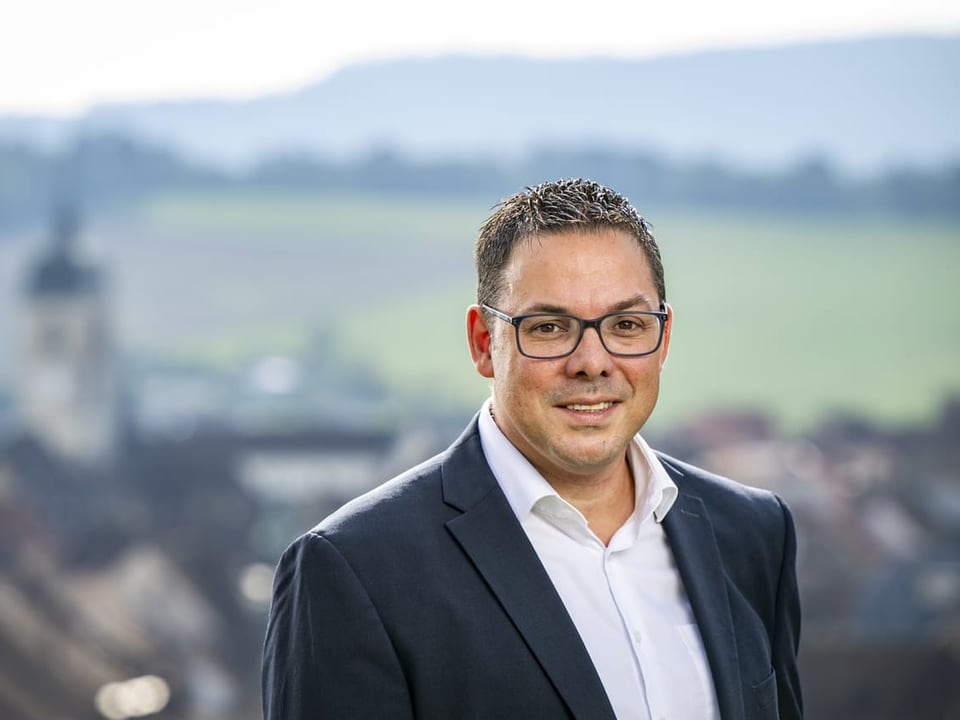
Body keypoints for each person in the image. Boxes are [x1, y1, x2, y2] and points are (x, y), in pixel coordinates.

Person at [261, 178, 802, 719]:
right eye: (548, 327)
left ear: (662, 339)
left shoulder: (753, 533)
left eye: (627, 324)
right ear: (482, 345)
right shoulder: (355, 570)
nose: (592, 361)